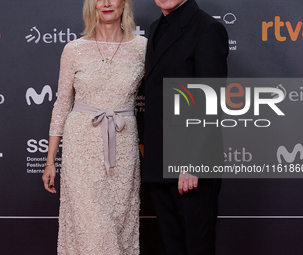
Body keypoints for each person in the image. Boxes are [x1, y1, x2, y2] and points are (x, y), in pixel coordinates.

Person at [41, 0, 147, 253]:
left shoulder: (143, 47)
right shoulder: (74, 49)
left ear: (125, 4)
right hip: (81, 146)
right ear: (92, 5)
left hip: (123, 144)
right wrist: (49, 160)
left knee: (120, 223)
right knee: (91, 224)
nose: (107, 3)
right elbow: (62, 105)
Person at [143, 0, 228, 254]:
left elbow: (210, 102)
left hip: (192, 167)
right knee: (172, 246)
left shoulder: (207, 29)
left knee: (197, 247)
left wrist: (193, 162)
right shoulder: (155, 27)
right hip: (158, 163)